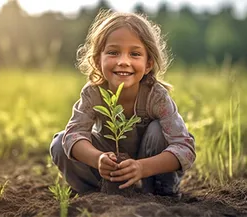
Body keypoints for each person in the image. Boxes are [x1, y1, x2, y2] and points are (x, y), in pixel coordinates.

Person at [50, 10, 196, 198]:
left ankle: (160, 193)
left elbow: (185, 148)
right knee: (59, 143)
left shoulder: (156, 96)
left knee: (158, 130)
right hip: (108, 173)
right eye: (113, 52)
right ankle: (96, 193)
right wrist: (98, 159)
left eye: (135, 54)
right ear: (97, 60)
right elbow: (72, 136)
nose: (123, 61)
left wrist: (141, 168)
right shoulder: (93, 93)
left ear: (149, 63)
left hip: (150, 176)